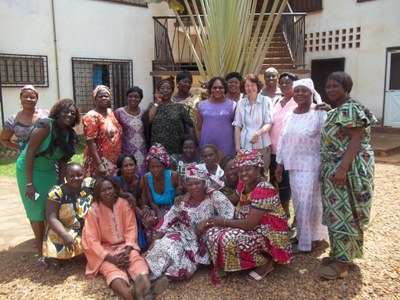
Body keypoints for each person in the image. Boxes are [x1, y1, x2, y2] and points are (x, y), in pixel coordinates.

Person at [319, 71, 377, 279]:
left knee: (344, 213)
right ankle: (340, 254)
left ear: (346, 87)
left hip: (347, 170)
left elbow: (356, 140)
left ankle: (341, 264)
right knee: (336, 212)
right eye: (328, 86)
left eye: (336, 86)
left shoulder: (351, 108)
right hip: (335, 168)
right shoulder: (340, 109)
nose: (331, 90)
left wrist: (342, 169)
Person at [205, 150, 292, 283]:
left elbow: (249, 224)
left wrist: (223, 221)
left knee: (228, 238)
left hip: (270, 235)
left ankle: (266, 261)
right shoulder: (244, 183)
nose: (243, 174)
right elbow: (234, 198)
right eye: (240, 170)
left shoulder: (263, 189)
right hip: (252, 227)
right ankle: (234, 265)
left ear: (258, 168)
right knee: (211, 233)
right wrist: (211, 201)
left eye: (248, 169)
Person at [16, 98, 80, 267]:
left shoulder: (69, 134)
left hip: (50, 172)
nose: (69, 115)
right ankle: (41, 253)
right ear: (58, 112)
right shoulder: (45, 126)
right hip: (29, 171)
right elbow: (29, 153)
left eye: (72, 113)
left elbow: (63, 161)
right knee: (37, 212)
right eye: (66, 111)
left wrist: (61, 185)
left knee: (51, 209)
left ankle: (52, 248)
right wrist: (29, 184)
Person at [82, 176, 169, 300]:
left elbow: (131, 229)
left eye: (109, 188)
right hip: (106, 250)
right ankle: (130, 294)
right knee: (112, 271)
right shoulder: (93, 210)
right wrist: (111, 258)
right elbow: (91, 240)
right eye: (103, 190)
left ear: (115, 189)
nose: (107, 192)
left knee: (137, 262)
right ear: (98, 193)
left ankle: (147, 290)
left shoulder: (123, 204)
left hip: (126, 247)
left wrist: (127, 252)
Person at [144, 165, 235, 281]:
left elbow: (229, 215)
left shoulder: (214, 196)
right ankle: (144, 277)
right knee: (164, 246)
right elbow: (166, 223)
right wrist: (151, 248)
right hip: (181, 235)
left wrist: (208, 222)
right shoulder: (182, 202)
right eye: (190, 184)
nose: (194, 187)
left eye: (197, 183)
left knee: (180, 269)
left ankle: (160, 279)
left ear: (204, 183)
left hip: (201, 243)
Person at [275, 78, 328, 253]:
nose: (299, 94)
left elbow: (327, 141)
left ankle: (305, 244)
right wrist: (279, 165)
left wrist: (325, 166)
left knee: (307, 203)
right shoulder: (290, 115)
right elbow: (283, 141)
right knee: (299, 203)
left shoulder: (319, 114)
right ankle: (305, 236)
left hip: (312, 165)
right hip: (293, 165)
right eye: (297, 90)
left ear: (311, 93)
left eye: (304, 90)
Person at [43, 163, 95, 268]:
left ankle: (76, 255)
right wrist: (64, 235)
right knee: (55, 236)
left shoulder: (89, 185)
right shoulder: (57, 193)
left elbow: (108, 187)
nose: (76, 178)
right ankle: (56, 257)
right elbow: (51, 218)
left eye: (79, 175)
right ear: (66, 177)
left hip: (85, 228)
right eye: (71, 176)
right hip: (64, 229)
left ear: (84, 174)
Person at [269, 72, 298, 219]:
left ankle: (287, 215)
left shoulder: (299, 101)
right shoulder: (276, 102)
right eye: (282, 83)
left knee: (287, 185)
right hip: (274, 151)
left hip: (290, 152)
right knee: (276, 183)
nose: (284, 85)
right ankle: (279, 215)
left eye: (288, 82)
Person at [141, 144, 182, 240]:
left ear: (164, 166)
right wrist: (158, 212)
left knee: (168, 223)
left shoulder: (173, 176)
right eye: (152, 167)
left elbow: (186, 193)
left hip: (173, 209)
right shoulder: (147, 177)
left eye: (158, 166)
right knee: (148, 220)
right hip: (157, 208)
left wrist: (180, 195)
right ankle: (151, 247)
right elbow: (150, 200)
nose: (155, 170)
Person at [143, 77, 193, 154]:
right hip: (158, 147)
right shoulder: (152, 106)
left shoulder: (179, 107)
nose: (165, 90)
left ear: (172, 91)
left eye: (168, 88)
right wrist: (157, 102)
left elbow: (189, 126)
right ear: (158, 91)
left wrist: (192, 143)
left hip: (176, 147)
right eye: (162, 88)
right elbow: (148, 121)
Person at [233, 73, 273, 169]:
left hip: (262, 146)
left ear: (257, 86)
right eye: (247, 85)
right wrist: (238, 147)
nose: (250, 88)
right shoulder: (241, 103)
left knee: (262, 174)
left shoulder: (266, 101)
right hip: (245, 146)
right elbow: (237, 126)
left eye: (252, 85)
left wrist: (257, 134)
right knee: (246, 175)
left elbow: (269, 123)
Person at [82, 85, 122, 178]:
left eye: (106, 96)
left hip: (114, 158)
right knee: (100, 187)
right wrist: (99, 165)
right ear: (95, 99)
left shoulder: (110, 112)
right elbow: (90, 142)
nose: (104, 98)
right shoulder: (91, 116)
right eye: (100, 96)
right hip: (100, 159)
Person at [1, 85, 49, 152]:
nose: (28, 99)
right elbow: (4, 140)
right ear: (20, 98)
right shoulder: (12, 120)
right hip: (25, 158)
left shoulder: (46, 115)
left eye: (32, 97)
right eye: (25, 96)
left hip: (47, 156)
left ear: (36, 99)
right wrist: (21, 147)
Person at [114, 153, 147, 250]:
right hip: (124, 209)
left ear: (136, 166)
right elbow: (122, 197)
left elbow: (143, 198)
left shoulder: (141, 180)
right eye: (125, 166)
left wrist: (144, 209)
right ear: (120, 168)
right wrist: (128, 195)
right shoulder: (117, 181)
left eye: (131, 165)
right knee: (133, 214)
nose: (129, 168)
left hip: (137, 207)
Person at [196, 77, 236, 156]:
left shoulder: (233, 105)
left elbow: (236, 128)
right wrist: (198, 145)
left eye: (220, 87)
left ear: (225, 89)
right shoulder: (202, 105)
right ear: (210, 89)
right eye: (214, 87)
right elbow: (198, 128)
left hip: (227, 146)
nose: (217, 90)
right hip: (206, 146)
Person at [114, 86, 147, 176]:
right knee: (128, 173)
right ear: (127, 97)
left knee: (142, 175)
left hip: (142, 150)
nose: (133, 99)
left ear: (140, 99)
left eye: (136, 97)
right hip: (127, 149)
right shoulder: (119, 112)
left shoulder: (144, 112)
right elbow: (115, 131)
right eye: (130, 96)